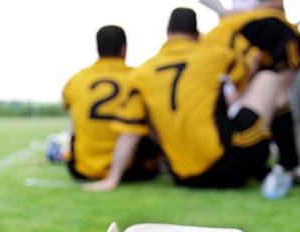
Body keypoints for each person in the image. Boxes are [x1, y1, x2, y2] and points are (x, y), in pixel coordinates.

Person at [86, 8, 278, 192]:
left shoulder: (143, 72)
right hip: (227, 167)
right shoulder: (217, 55)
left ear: (167, 32)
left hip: (183, 176)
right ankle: (287, 161)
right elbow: (251, 65)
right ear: (196, 33)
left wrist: (112, 178)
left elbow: (130, 133)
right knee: (267, 78)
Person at [202, 1, 300, 191]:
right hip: (278, 34)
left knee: (280, 97)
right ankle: (289, 164)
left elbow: (253, 58)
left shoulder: (216, 38)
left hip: (280, 36)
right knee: (277, 99)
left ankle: (290, 164)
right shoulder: (228, 28)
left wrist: (240, 91)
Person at [62, 25, 161, 182]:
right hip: (133, 170)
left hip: (82, 169)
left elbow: (73, 122)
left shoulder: (76, 79)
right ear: (124, 48)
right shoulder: (138, 77)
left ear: (97, 48)